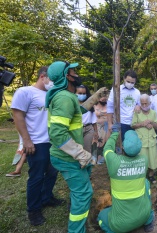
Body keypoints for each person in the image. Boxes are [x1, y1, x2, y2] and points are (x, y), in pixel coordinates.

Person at [45, 61, 107, 232]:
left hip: (70, 156)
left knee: (81, 189)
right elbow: (57, 134)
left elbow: (77, 112)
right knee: (84, 193)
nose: (76, 72)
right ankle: (77, 230)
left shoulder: (65, 96)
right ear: (66, 76)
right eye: (72, 70)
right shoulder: (64, 98)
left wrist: (94, 97)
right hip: (68, 158)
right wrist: (80, 154)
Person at [11, 66, 62, 226]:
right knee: (37, 177)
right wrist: (26, 140)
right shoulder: (25, 92)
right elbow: (18, 116)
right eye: (52, 80)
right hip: (36, 143)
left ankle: (46, 198)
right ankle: (33, 209)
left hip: (52, 142)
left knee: (52, 173)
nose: (54, 83)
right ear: (43, 77)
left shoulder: (50, 94)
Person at [97, 127, 155, 233]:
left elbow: (107, 148)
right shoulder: (144, 160)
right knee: (146, 183)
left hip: (120, 225)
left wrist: (115, 133)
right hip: (143, 216)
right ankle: (149, 221)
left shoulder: (114, 161)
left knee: (101, 217)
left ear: (123, 147)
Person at [131, 94, 157, 183]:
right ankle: (141, 176)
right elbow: (133, 125)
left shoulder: (154, 113)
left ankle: (151, 175)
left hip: (151, 140)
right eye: (142, 104)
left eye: (146, 104)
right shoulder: (137, 112)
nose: (144, 106)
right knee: (141, 159)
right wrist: (142, 124)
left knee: (152, 159)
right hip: (141, 140)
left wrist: (151, 123)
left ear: (150, 103)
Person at [107, 70, 140, 141]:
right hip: (120, 122)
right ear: (124, 79)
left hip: (133, 124)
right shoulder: (116, 89)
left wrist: (138, 106)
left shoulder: (137, 92)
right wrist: (109, 123)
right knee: (119, 146)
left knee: (130, 147)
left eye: (132, 82)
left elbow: (140, 106)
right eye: (128, 81)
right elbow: (110, 106)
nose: (130, 84)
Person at [76, 85, 98, 158]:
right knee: (77, 150)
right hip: (77, 129)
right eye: (80, 93)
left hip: (88, 128)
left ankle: (86, 167)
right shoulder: (73, 104)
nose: (82, 95)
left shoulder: (90, 104)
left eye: (84, 93)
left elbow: (93, 120)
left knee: (87, 150)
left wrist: (96, 131)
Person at [94, 95, 109, 164]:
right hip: (97, 128)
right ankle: (97, 159)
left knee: (107, 143)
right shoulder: (94, 106)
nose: (103, 98)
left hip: (107, 128)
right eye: (101, 96)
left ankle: (106, 159)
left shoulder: (109, 105)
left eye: (105, 97)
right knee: (98, 143)